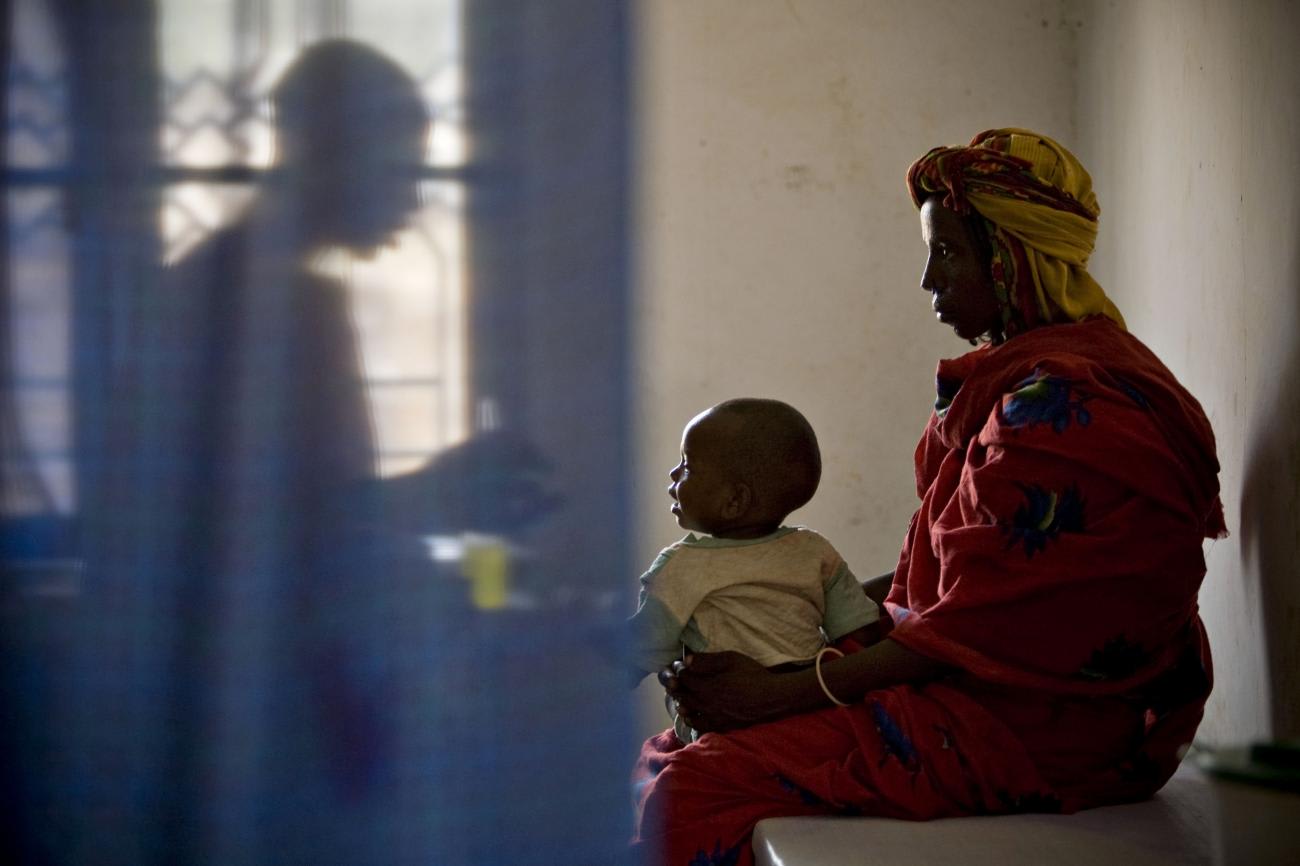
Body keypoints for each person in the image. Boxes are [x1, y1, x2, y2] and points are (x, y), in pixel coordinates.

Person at [632, 128, 1225, 866]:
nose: (927, 281)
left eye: (947, 253)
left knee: (692, 789)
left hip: (1046, 732)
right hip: (999, 699)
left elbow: (982, 626)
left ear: (1008, 258)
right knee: (678, 744)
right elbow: (958, 586)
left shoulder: (1066, 408)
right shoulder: (1036, 377)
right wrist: (801, 613)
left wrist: (780, 694)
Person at [628, 398, 882, 741]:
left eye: (687, 466)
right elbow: (859, 631)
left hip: (727, 733)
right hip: (811, 721)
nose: (674, 474)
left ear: (734, 501)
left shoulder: (681, 567)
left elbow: (633, 656)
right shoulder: (814, 550)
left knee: (671, 789)